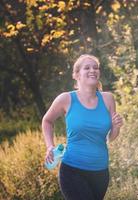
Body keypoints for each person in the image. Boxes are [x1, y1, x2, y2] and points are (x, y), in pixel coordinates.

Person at [42, 54, 123, 200]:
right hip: (73, 170)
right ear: (76, 74)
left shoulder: (108, 99)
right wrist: (49, 146)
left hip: (100, 173)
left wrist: (116, 127)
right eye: (87, 68)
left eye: (95, 68)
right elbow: (47, 121)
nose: (93, 70)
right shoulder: (66, 99)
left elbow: (111, 138)